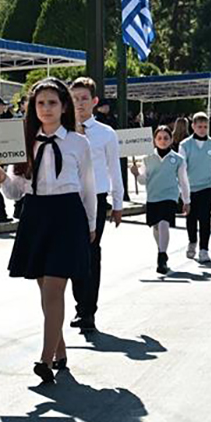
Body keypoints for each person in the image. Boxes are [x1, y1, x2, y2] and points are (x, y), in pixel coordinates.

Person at [0, 78, 96, 384]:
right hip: (35, 215)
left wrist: (90, 224)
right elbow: (16, 191)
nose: (46, 109)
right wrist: (1, 179)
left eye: (52, 103)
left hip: (68, 215)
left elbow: (88, 187)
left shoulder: (79, 143)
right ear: (33, 108)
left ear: (64, 107)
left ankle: (45, 360)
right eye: (40, 103)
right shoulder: (24, 142)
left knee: (54, 289)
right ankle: (60, 350)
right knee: (45, 290)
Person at [67, 78, 124, 332]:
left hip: (97, 199)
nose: (79, 104)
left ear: (94, 102)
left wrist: (118, 204)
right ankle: (80, 304)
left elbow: (114, 169)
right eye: (75, 99)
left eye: (84, 99)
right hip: (69, 198)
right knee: (72, 253)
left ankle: (88, 310)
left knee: (91, 252)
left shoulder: (105, 133)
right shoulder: (62, 131)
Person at [130, 126, 191, 274]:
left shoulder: (178, 159)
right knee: (156, 227)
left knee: (164, 223)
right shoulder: (147, 159)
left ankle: (162, 257)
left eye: (166, 138)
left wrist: (186, 200)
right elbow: (143, 180)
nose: (162, 141)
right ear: (154, 141)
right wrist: (136, 174)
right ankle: (161, 249)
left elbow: (183, 181)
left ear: (171, 140)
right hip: (153, 197)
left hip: (169, 196)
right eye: (159, 138)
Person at [179, 112, 211, 264]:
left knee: (205, 217)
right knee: (191, 217)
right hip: (190, 188)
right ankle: (192, 241)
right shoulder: (185, 145)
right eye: (199, 126)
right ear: (193, 126)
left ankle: (204, 249)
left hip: (207, 187)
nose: (202, 129)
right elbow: (181, 169)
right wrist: (182, 191)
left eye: (205, 127)